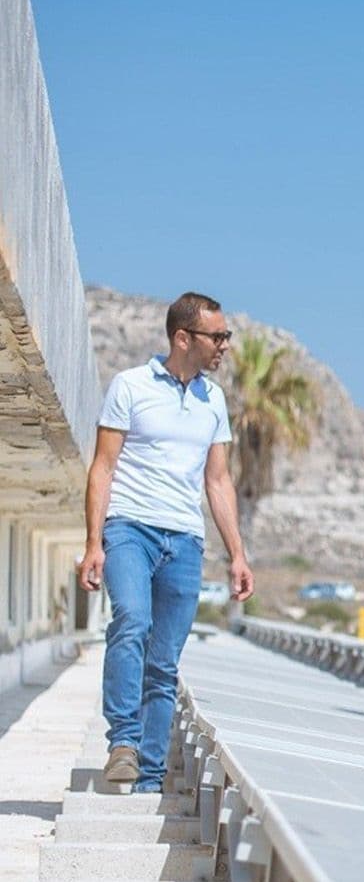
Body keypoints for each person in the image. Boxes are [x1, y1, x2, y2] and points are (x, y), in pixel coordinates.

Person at [77, 292, 255, 792]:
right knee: (131, 621)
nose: (224, 345)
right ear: (183, 338)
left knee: (164, 660)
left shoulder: (212, 399)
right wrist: (94, 541)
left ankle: (149, 776)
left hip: (185, 540)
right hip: (129, 528)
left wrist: (237, 554)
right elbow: (103, 467)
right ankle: (124, 743)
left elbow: (217, 482)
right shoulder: (130, 386)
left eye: (226, 336)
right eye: (216, 336)